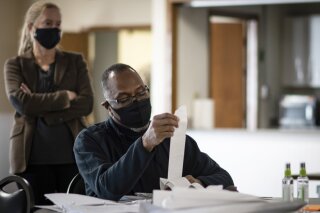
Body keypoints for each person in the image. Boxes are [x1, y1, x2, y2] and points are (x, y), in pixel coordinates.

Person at [74, 63, 235, 201]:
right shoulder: (89, 140)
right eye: (124, 99)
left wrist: (198, 183)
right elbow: (107, 189)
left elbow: (224, 177)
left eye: (141, 92)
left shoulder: (171, 137)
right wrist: (145, 144)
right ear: (108, 107)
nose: (136, 101)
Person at [4, 2, 93, 204]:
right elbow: (22, 104)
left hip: (71, 157)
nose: (54, 28)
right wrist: (65, 97)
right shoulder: (15, 65)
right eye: (48, 22)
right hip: (31, 159)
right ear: (31, 27)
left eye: (58, 24)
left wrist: (39, 106)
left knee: (75, 208)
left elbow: (87, 103)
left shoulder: (75, 61)